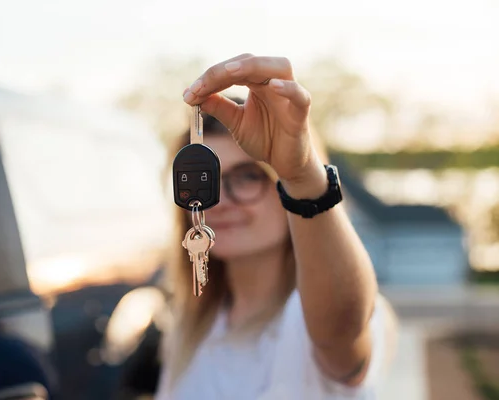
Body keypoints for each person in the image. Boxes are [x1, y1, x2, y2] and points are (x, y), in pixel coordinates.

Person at [153, 54, 398, 400]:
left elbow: (340, 329)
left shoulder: (309, 319)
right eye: (206, 182)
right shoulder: (189, 327)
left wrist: (301, 176)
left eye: (248, 176)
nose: (219, 201)